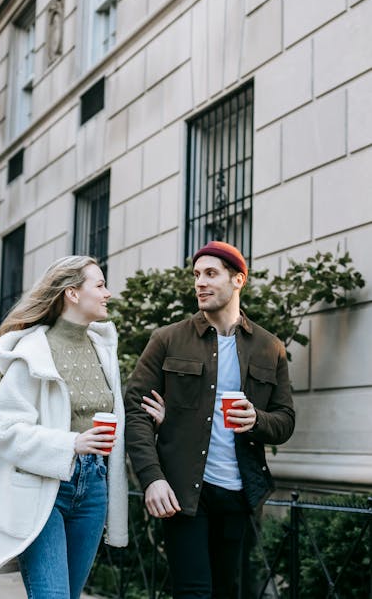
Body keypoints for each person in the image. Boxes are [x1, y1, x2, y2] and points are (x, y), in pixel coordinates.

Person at [124, 241, 295, 599]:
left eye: (211, 274)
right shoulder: (167, 339)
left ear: (238, 280)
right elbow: (135, 411)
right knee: (194, 592)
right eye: (196, 275)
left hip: (239, 493)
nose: (200, 282)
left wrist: (257, 419)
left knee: (226, 591)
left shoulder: (270, 347)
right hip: (185, 493)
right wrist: (152, 478)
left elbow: (285, 421)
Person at [0, 255, 128, 599]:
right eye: (99, 285)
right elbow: (6, 431)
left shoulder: (103, 349)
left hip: (94, 486)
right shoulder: (33, 352)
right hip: (44, 490)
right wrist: (71, 443)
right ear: (71, 293)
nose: (107, 293)